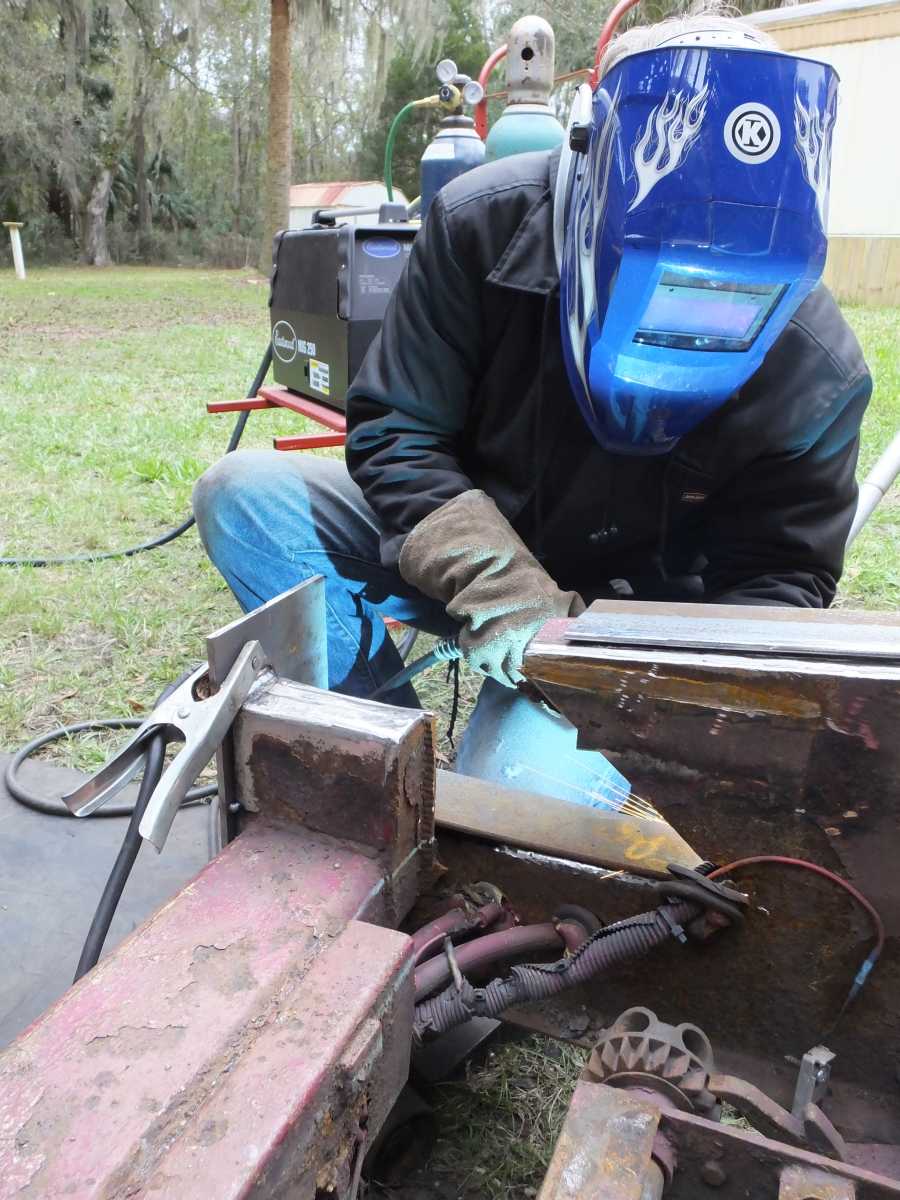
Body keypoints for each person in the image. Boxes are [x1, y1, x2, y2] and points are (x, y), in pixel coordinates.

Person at [193, 6, 871, 806]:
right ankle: (381, 758)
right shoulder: (481, 227)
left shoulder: (816, 368)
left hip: (629, 632)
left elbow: (782, 574)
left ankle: (516, 774)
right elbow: (397, 431)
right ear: (590, 187)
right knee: (243, 498)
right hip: (471, 556)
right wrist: (500, 585)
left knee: (519, 802)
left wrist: (653, 682)